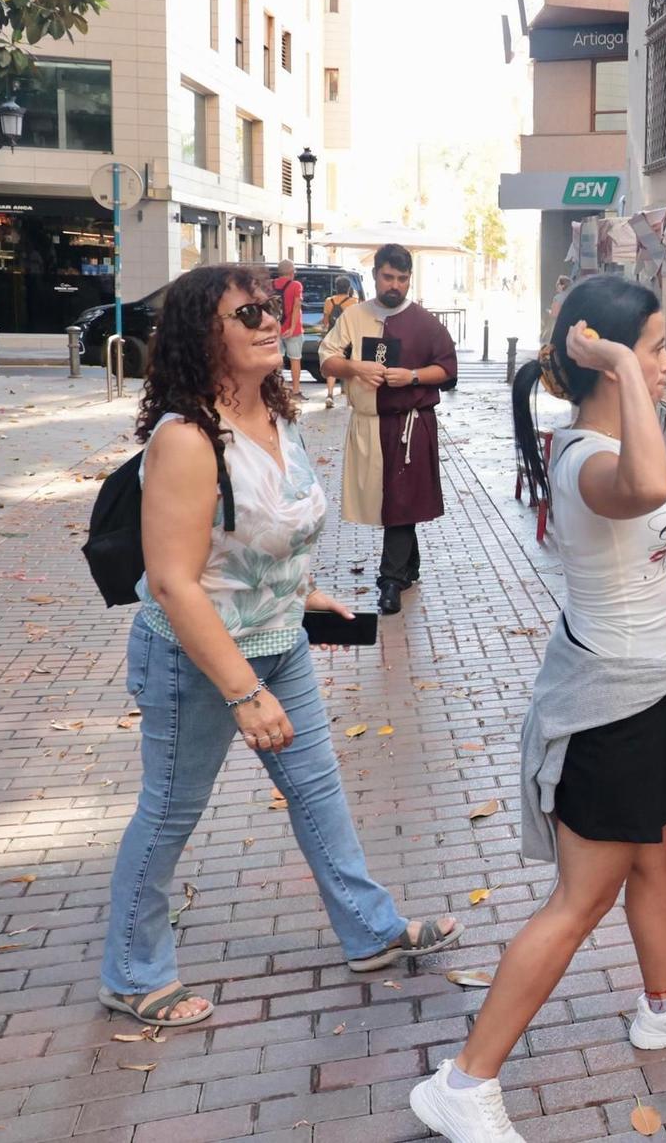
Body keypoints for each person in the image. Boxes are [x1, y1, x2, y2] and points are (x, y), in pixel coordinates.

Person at [411, 279, 666, 1143]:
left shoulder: (603, 435)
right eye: (653, 345)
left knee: (660, 856)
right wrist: (609, 360)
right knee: (581, 896)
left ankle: (665, 1004)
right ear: (604, 357)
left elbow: (635, 548)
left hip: (644, 685)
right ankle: (465, 1080)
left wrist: (665, 613)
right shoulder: (589, 459)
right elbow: (645, 484)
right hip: (607, 706)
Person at [100, 264, 461, 1028]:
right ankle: (132, 972)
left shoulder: (275, 410)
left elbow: (261, 534)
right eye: (248, 315)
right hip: (194, 658)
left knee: (318, 791)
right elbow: (172, 580)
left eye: (269, 308)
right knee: (169, 812)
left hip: (279, 638)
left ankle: (370, 931)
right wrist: (242, 689)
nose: (271, 321)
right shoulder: (188, 438)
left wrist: (301, 595)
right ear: (207, 337)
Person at [318, 245, 458, 616]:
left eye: (402, 278)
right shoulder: (353, 316)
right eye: (388, 277)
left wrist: (412, 375)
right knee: (393, 500)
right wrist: (356, 369)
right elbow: (326, 356)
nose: (395, 285)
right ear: (376, 275)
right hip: (367, 424)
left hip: (410, 424)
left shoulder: (425, 322)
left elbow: (447, 369)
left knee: (400, 498)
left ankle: (390, 580)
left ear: (410, 279)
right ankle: (408, 566)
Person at [318, 275, 358, 409]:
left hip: (333, 337)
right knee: (349, 366)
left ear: (336, 288)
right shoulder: (354, 302)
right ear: (348, 288)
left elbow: (325, 321)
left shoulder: (329, 301)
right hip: (349, 338)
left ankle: (329, 395)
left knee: (332, 364)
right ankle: (349, 400)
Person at [271, 258, 306, 397]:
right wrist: (291, 328)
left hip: (275, 329)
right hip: (294, 330)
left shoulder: (270, 285)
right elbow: (297, 306)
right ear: (291, 272)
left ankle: (276, 390)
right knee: (295, 360)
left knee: (276, 361)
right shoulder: (296, 285)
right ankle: (296, 390)